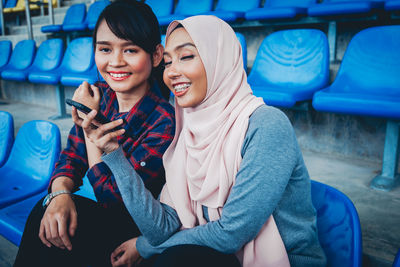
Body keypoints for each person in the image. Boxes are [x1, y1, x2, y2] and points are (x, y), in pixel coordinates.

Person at [79, 15, 327, 267]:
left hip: (283, 261)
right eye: (167, 62)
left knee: (174, 261)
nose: (172, 72)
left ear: (219, 59)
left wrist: (146, 246)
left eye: (186, 57)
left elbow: (230, 234)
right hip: (217, 257)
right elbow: (161, 228)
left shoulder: (266, 125)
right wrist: (114, 154)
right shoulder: (188, 132)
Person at [13, 1, 175, 267]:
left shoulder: (163, 122)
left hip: (122, 227)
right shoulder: (98, 94)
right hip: (82, 205)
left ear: (156, 55)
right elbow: (69, 159)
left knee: (62, 229)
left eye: (131, 50)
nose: (115, 62)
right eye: (105, 49)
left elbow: (115, 204)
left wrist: (91, 133)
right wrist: (59, 195)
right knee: (46, 212)